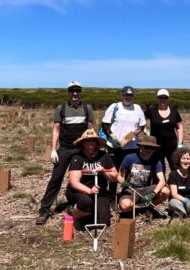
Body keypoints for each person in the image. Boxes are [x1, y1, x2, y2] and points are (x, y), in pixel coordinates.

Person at [36, 81, 94, 225]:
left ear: (81, 92)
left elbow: (90, 131)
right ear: (68, 92)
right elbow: (56, 130)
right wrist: (53, 149)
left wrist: (91, 149)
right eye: (72, 91)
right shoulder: (61, 109)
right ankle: (44, 210)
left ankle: (73, 203)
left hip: (80, 149)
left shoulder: (87, 109)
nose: (75, 93)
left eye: (77, 90)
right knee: (56, 178)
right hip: (65, 149)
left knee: (80, 179)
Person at [65, 129, 118, 230]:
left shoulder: (104, 156)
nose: (91, 143)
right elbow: (73, 182)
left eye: (93, 140)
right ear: (83, 143)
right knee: (86, 202)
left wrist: (103, 170)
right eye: (87, 140)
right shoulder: (77, 157)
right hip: (80, 191)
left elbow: (114, 176)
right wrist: (89, 191)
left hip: (99, 191)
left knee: (103, 223)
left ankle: (88, 213)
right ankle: (74, 214)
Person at [117, 135, 171, 215]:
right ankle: (138, 207)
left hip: (147, 189)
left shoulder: (156, 161)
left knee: (165, 191)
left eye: (152, 148)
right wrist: (123, 183)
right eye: (146, 147)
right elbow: (118, 176)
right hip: (130, 189)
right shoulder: (129, 158)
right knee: (125, 206)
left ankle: (148, 207)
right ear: (141, 146)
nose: (149, 150)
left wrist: (153, 193)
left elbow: (162, 181)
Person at [101, 86, 146, 167]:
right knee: (115, 170)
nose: (128, 97)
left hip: (132, 145)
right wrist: (114, 139)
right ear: (122, 95)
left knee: (130, 171)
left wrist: (139, 130)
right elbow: (105, 124)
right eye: (126, 95)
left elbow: (142, 124)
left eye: (130, 95)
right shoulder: (115, 106)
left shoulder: (137, 108)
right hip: (114, 145)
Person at [146, 88, 183, 172]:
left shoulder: (174, 111)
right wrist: (146, 131)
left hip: (171, 145)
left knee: (175, 166)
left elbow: (179, 126)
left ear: (168, 99)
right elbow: (141, 120)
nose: (162, 100)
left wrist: (180, 142)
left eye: (165, 97)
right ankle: (161, 184)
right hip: (156, 146)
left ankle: (174, 183)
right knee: (159, 168)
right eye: (160, 97)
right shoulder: (151, 111)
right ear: (157, 98)